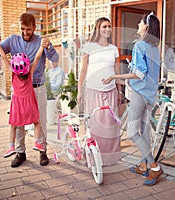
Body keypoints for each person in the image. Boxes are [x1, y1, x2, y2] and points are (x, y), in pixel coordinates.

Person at [0, 13, 59, 167]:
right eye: (22, 29)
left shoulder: (41, 41)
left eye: (28, 29)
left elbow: (54, 59)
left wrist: (49, 46)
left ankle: (43, 151)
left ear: (34, 27)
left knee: (40, 120)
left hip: (37, 87)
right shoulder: (12, 40)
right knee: (18, 121)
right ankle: (20, 153)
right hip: (19, 90)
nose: (25, 32)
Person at [102, 12, 163, 186]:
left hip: (140, 94)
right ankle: (144, 165)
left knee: (132, 132)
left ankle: (154, 167)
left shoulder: (140, 46)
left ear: (146, 27)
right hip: (151, 95)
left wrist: (114, 77)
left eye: (140, 22)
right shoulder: (154, 48)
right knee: (144, 131)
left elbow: (139, 74)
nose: (137, 24)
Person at [77, 17, 121, 166]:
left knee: (110, 125)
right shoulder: (89, 46)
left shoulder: (114, 49)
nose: (108, 29)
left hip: (111, 91)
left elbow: (116, 71)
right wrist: (79, 91)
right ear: (98, 29)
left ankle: (109, 157)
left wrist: (119, 90)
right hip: (93, 90)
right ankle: (93, 155)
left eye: (109, 26)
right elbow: (83, 70)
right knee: (95, 123)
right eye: (104, 26)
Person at [0, 44, 45, 158]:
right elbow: (37, 58)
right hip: (29, 104)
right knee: (37, 122)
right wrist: (41, 46)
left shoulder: (13, 74)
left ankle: (11, 147)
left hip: (17, 105)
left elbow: (3, 57)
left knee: (13, 125)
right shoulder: (29, 75)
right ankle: (37, 142)